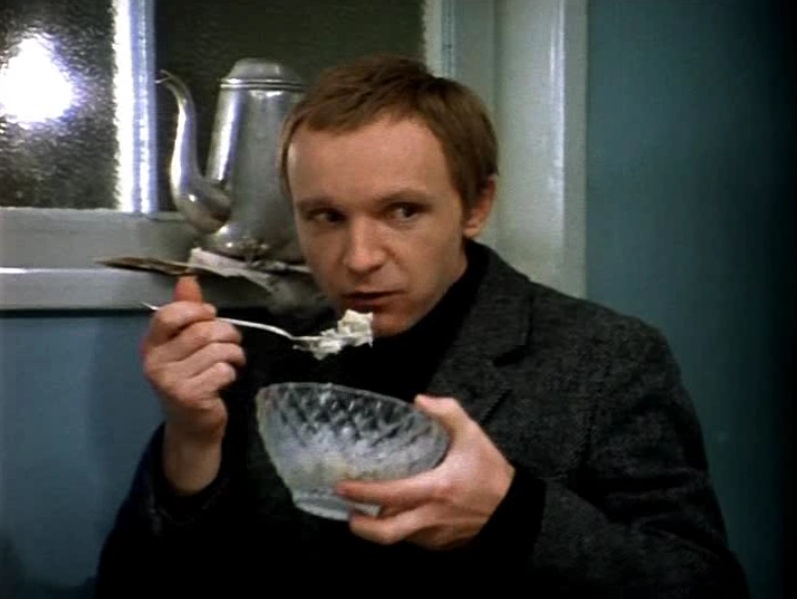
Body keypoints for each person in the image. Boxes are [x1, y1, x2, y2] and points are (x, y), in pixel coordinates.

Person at [96, 55, 747, 596]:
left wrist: (510, 515)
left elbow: (702, 582)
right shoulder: (259, 360)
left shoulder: (606, 359)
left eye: (402, 211)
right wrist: (191, 443)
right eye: (325, 217)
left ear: (476, 205)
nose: (358, 258)